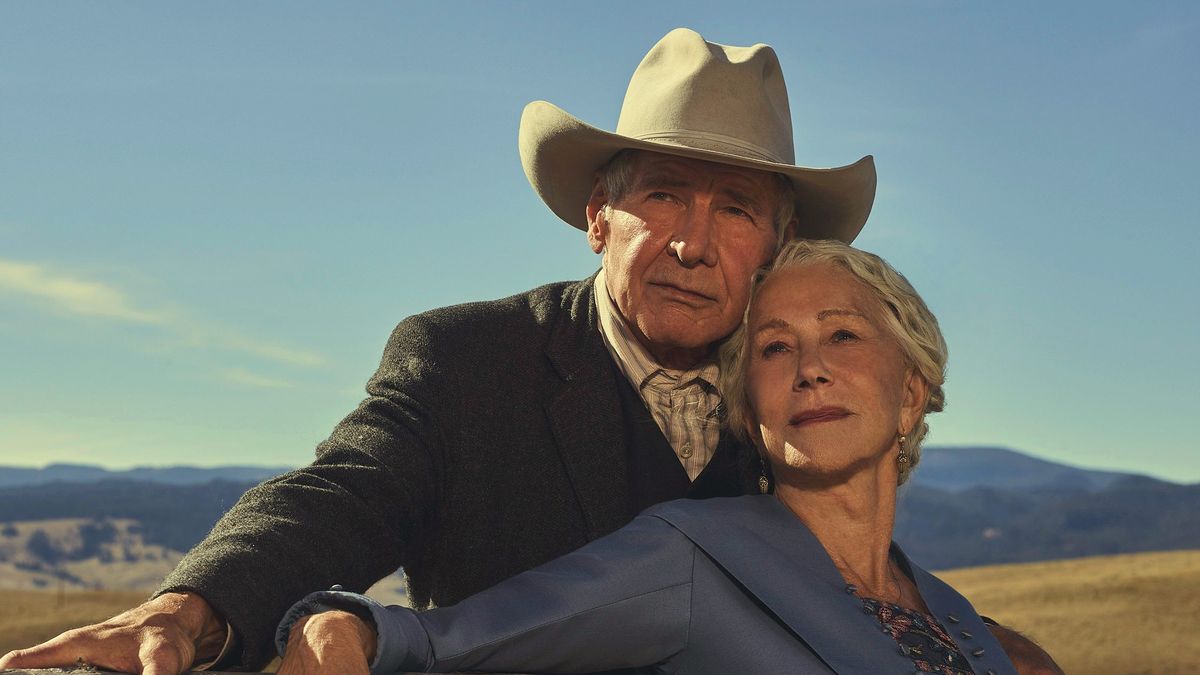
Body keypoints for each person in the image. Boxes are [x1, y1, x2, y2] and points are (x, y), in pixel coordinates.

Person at [0, 28, 1057, 675]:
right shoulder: (470, 361)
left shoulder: (795, 409)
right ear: (598, 216)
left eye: (735, 208)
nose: (693, 242)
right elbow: (341, 497)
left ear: (775, 243)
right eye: (663, 196)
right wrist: (195, 606)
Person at [272, 240, 1047, 674]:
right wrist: (349, 627)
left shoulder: (955, 615)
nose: (810, 366)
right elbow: (452, 640)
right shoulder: (692, 554)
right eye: (775, 347)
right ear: (748, 409)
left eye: (842, 334)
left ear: (911, 392)